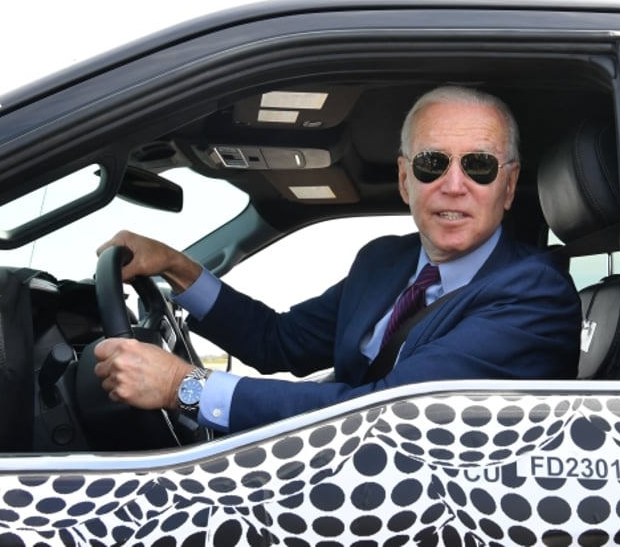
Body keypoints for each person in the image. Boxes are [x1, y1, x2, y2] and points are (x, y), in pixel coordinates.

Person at [93, 86, 581, 433]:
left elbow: (385, 415)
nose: (454, 185)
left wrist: (186, 386)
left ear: (509, 185)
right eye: (432, 163)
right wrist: (176, 265)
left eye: (479, 165)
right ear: (406, 180)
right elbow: (277, 342)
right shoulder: (384, 262)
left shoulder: (536, 296)